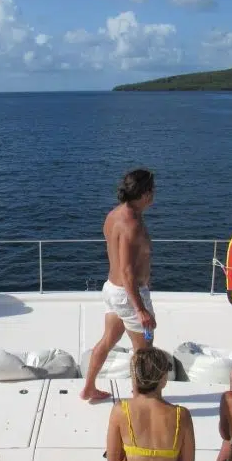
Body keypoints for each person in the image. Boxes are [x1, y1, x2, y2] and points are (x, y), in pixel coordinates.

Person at [81, 168, 157, 402]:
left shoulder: (114, 215)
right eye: (152, 190)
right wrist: (140, 309)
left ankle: (89, 388)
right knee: (143, 351)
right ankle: (140, 401)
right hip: (129, 296)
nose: (154, 195)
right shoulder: (131, 224)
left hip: (113, 290)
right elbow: (127, 271)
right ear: (144, 194)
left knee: (108, 340)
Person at [105, 347, 195, 461]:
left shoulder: (120, 410)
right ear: (163, 379)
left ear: (134, 377)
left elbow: (113, 460)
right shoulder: (182, 415)